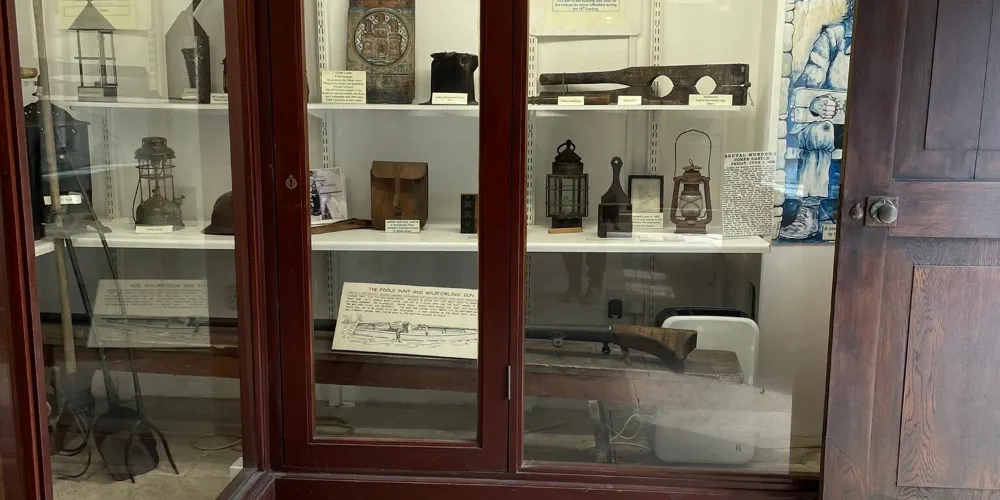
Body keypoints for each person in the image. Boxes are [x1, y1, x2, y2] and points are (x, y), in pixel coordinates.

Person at [780, 0, 853, 240]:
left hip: (861, 129)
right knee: (821, 131)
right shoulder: (834, 37)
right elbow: (803, 88)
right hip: (827, 127)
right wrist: (815, 104)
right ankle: (809, 212)